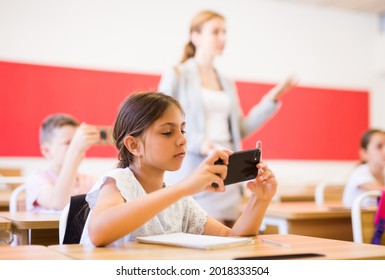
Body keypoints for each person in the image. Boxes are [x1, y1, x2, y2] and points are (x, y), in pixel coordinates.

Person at [80, 92, 277, 247]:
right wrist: (184, 188)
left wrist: (260, 199)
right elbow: (98, 233)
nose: (182, 139)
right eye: (167, 132)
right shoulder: (118, 182)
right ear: (134, 145)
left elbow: (231, 236)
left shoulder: (180, 201)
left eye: (183, 130)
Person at [158, 10, 296, 226]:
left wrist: (272, 98)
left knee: (233, 239)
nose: (222, 38)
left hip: (229, 169)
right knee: (201, 237)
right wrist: (200, 143)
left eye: (224, 32)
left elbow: (240, 129)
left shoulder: (227, 82)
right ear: (195, 37)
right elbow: (161, 123)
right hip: (195, 169)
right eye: (215, 32)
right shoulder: (177, 74)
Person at [25, 113, 102, 211]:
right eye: (68, 143)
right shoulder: (36, 178)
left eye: (77, 141)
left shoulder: (88, 181)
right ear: (47, 151)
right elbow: (58, 204)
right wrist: (74, 151)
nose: (76, 146)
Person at [342, 128, 385, 207]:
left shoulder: (383, 175)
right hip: (351, 218)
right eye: (379, 146)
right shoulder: (359, 173)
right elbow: (381, 191)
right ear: (364, 153)